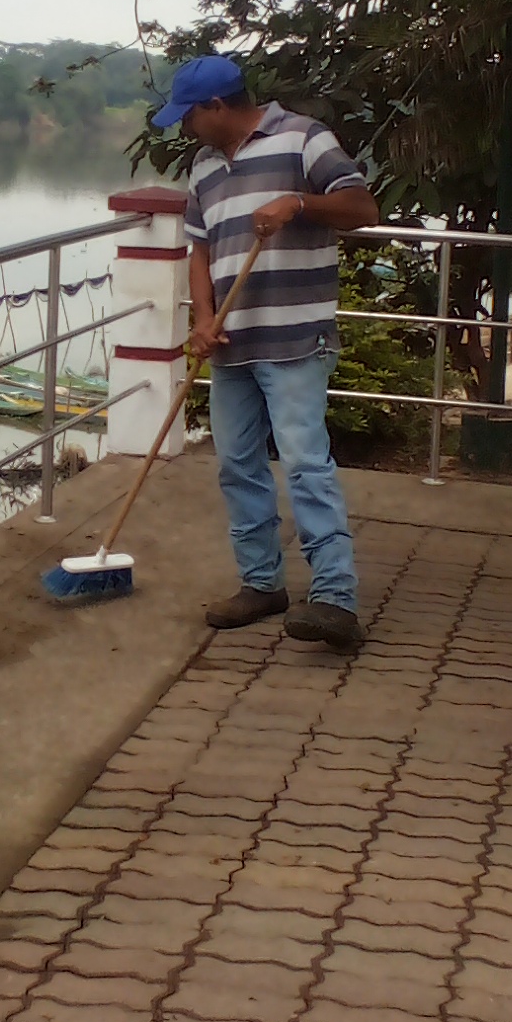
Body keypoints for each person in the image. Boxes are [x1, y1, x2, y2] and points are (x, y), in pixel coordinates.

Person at [160, 55, 381, 654]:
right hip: (232, 344)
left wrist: (298, 204)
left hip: (295, 339)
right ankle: (261, 584)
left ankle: (335, 597)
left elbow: (363, 209)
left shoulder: (303, 138)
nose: (185, 128)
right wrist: (202, 320)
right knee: (237, 465)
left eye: (188, 116)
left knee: (305, 464)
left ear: (216, 106)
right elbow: (200, 252)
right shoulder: (204, 168)